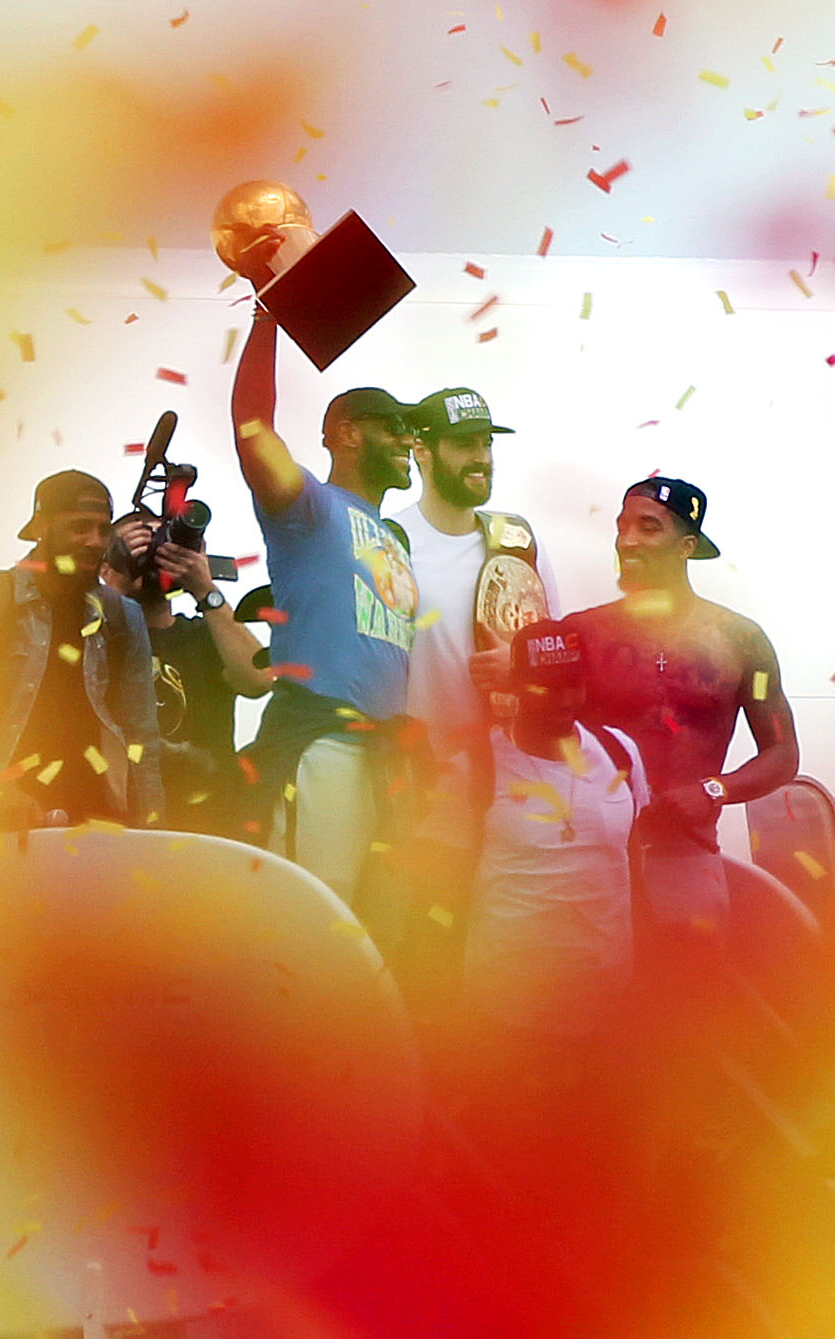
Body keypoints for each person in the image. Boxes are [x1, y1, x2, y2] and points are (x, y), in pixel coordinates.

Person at [225, 285, 425, 936]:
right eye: (394, 425)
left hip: (384, 761)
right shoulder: (311, 510)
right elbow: (253, 430)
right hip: (321, 746)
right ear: (344, 432)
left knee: (372, 928)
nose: (408, 439)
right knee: (310, 919)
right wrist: (268, 317)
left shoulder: (396, 540)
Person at [549, 477, 799, 955]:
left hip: (687, 855)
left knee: (686, 1005)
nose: (628, 540)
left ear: (687, 545)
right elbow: (540, 740)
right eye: (622, 526)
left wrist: (714, 790)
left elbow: (783, 752)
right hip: (591, 860)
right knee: (591, 1012)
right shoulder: (582, 634)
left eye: (649, 527)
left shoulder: (739, 641)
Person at [387, 386, 553, 1014]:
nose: (482, 456)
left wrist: (524, 664)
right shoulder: (390, 537)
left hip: (505, 783)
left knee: (501, 953)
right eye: (465, 444)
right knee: (421, 948)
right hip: (416, 785)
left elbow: (549, 649)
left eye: (487, 442)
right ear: (421, 451)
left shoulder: (515, 541)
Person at [0, 470, 165, 828]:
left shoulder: (123, 616)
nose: (95, 541)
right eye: (79, 527)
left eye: (103, 530)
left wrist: (154, 835)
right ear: (41, 526)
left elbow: (141, 738)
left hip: (95, 826)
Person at [463, 621, 640, 1028]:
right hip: (505, 1009)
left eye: (574, 684)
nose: (566, 700)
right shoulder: (476, 765)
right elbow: (443, 877)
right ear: (516, 686)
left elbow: (632, 859)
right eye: (548, 686)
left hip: (605, 1002)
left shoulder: (620, 753)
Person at [109, 513, 271, 836]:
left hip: (209, 824)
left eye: (163, 544)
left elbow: (258, 680)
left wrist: (204, 588)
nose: (154, 555)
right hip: (123, 826)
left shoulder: (203, 635)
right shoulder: (97, 639)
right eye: (141, 545)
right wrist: (114, 585)